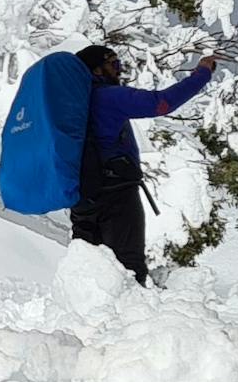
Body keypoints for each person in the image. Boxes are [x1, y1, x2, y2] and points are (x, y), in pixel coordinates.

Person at [70, 45, 216, 284]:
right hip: (116, 192)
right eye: (114, 64)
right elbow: (161, 103)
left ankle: (82, 305)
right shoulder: (108, 96)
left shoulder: (73, 102)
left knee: (87, 266)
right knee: (127, 266)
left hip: (82, 195)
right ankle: (130, 307)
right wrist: (202, 74)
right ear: (96, 70)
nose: (119, 70)